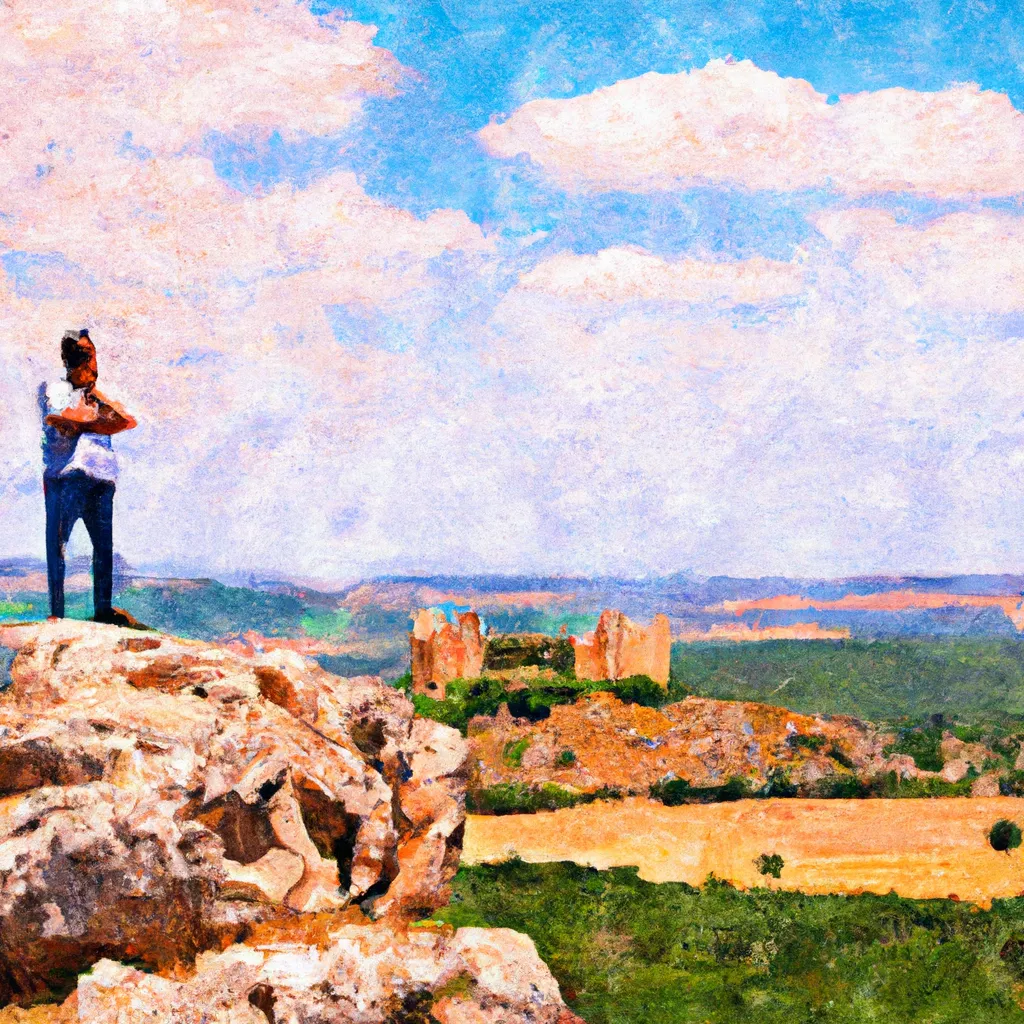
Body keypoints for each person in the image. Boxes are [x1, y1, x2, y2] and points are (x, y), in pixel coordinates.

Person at [40, 329, 137, 623]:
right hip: (66, 478)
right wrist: (96, 421)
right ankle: (57, 614)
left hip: (101, 480)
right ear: (75, 363)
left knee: (103, 549)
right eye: (90, 359)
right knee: (57, 545)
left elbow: (125, 421)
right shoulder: (55, 389)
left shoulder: (94, 396)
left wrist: (92, 412)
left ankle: (103, 611)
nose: (95, 366)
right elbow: (61, 420)